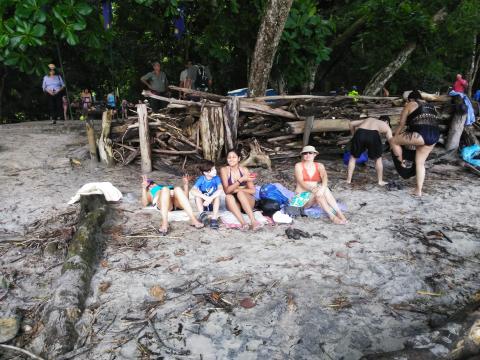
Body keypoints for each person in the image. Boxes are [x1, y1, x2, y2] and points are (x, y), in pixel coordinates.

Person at [390, 90, 440, 196]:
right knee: (420, 163)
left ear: (410, 99)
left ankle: (401, 165)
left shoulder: (411, 104)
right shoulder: (432, 106)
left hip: (420, 133)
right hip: (435, 135)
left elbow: (402, 123)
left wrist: (396, 136)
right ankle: (418, 190)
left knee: (393, 141)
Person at [292, 145, 347, 225]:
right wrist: (313, 189)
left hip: (314, 195)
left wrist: (322, 188)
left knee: (324, 189)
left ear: (315, 154)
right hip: (302, 198)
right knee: (318, 192)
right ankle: (332, 216)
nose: (307, 155)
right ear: (302, 155)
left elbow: (324, 176)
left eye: (310, 153)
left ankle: (339, 213)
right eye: (305, 153)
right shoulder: (298, 165)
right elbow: (300, 181)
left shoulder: (319, 165)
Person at [219, 149, 260, 230]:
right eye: (229, 157)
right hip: (234, 204)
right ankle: (243, 223)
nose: (231, 159)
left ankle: (253, 221)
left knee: (240, 193)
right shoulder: (224, 170)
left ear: (239, 158)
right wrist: (241, 180)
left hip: (247, 201)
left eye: (234, 157)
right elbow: (227, 191)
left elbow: (253, 190)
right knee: (228, 197)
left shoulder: (244, 170)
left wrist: (238, 190)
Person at [346, 116, 393, 185]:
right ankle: (380, 181)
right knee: (378, 159)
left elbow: (351, 123)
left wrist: (354, 136)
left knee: (353, 157)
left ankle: (348, 180)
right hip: (373, 135)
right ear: (387, 122)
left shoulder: (369, 119)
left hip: (360, 133)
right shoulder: (385, 125)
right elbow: (391, 140)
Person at [191, 161, 223, 229]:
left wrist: (210, 199)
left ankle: (214, 219)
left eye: (215, 169)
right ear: (205, 173)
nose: (215, 171)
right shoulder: (201, 179)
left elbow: (220, 189)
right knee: (197, 196)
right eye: (212, 170)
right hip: (203, 204)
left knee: (217, 197)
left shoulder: (216, 178)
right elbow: (193, 190)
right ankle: (202, 214)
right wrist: (205, 197)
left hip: (212, 204)